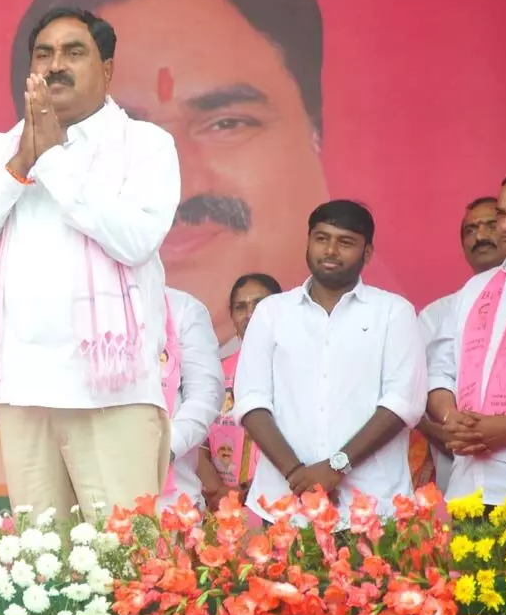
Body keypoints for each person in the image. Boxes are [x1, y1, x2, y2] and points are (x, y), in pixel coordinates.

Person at [9, 0, 331, 349]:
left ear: (315, 132)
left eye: (226, 124)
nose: (179, 186)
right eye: (122, 133)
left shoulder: (374, 335)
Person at [0, 7, 181, 520]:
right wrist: (20, 165)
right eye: (43, 54)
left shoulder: (145, 145)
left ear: (107, 69)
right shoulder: (0, 151)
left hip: (113, 392)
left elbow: (134, 240)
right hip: (25, 389)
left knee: (125, 564)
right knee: (43, 569)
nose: (55, 66)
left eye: (74, 52)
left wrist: (53, 159)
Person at [234, 201, 426, 524]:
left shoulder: (394, 312)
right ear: (308, 243)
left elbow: (401, 404)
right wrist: (299, 475)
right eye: (321, 238)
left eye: (345, 241)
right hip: (284, 505)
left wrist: (336, 467)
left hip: (371, 506)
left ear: (367, 253)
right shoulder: (272, 312)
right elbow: (252, 402)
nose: (331, 250)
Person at [426, 176, 506, 508]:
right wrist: (451, 417)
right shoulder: (474, 290)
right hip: (469, 492)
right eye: (502, 214)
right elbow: (440, 371)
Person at [415, 195, 503, 493]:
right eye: (470, 230)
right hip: (465, 481)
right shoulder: (440, 312)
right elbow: (430, 379)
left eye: (491, 224)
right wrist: (454, 426)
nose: (480, 236)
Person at [197, 273, 282, 513]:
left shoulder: (300, 371)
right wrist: (219, 491)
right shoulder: (217, 372)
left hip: (279, 502)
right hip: (224, 505)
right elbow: (197, 442)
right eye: (240, 307)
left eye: (259, 304)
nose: (249, 314)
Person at [155, 287, 224, 512]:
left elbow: (206, 394)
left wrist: (165, 449)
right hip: (98, 485)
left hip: (172, 501)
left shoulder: (182, 308)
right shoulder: (86, 306)